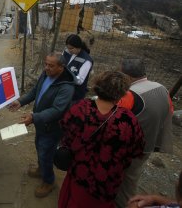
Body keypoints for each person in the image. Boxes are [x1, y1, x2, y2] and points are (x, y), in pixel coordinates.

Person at [58, 71, 145, 208]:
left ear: (97, 86)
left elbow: (66, 137)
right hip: (107, 182)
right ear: (122, 93)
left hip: (79, 173)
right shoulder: (128, 120)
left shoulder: (80, 108)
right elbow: (136, 151)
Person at [8, 52, 76, 198]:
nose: (46, 68)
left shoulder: (67, 87)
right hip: (41, 123)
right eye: (46, 64)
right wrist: (20, 101)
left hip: (52, 128)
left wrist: (33, 117)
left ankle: (49, 181)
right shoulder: (46, 74)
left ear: (61, 67)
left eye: (51, 66)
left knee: (46, 152)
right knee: (39, 146)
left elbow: (57, 110)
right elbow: (35, 91)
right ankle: (41, 169)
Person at [115, 58, 173, 208]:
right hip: (149, 143)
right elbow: (169, 113)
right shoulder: (161, 88)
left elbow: (114, 121)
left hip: (130, 148)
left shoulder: (130, 95)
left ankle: (124, 204)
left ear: (127, 77)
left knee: (125, 183)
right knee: (133, 176)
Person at [62, 34, 93, 102]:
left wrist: (65, 77)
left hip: (75, 95)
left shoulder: (86, 61)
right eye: (68, 48)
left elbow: (80, 80)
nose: (69, 50)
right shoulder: (66, 52)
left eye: (71, 48)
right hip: (62, 90)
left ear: (78, 47)